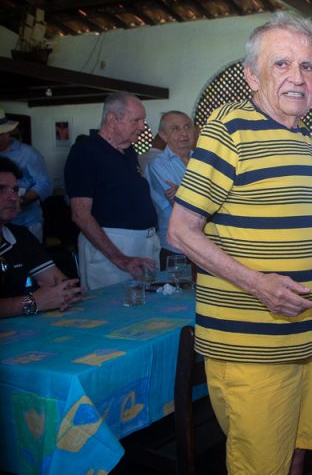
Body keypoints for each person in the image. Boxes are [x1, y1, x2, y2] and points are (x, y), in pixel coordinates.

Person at [168, 12, 312, 475]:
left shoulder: (304, 141)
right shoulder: (230, 127)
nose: (297, 78)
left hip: (304, 339)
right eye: (281, 64)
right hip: (252, 350)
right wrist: (257, 283)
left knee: (297, 449)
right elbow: (180, 230)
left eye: (307, 66)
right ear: (251, 76)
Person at [64, 92, 159, 290]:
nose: (142, 127)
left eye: (143, 120)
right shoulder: (86, 151)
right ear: (112, 119)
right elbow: (80, 214)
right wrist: (121, 259)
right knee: (112, 311)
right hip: (111, 247)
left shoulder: (128, 151)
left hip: (144, 243)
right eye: (136, 120)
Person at [0, 157, 82, 318]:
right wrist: (31, 302)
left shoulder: (20, 236)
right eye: (1, 189)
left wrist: (61, 294)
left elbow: (62, 286)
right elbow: (36, 301)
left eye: (15, 190)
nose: (13, 197)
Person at [145, 110, 195, 269]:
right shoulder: (159, 164)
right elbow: (180, 206)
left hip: (205, 245)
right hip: (175, 247)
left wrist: (183, 191)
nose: (184, 133)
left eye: (187, 127)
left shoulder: (201, 160)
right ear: (164, 136)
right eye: (175, 129)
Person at [0, 109, 53, 242]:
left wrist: (22, 199)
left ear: (7, 132)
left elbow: (45, 184)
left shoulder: (28, 153)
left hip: (26, 222)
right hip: (1, 225)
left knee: (30, 260)